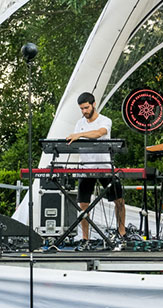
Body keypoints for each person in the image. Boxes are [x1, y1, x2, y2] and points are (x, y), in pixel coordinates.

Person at [66, 92, 127, 250]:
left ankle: (122, 233)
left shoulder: (105, 120)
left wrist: (80, 134)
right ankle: (85, 238)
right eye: (81, 109)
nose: (84, 111)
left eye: (86, 107)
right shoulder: (79, 123)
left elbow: (99, 133)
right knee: (83, 204)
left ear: (94, 104)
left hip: (105, 166)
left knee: (119, 200)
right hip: (86, 167)